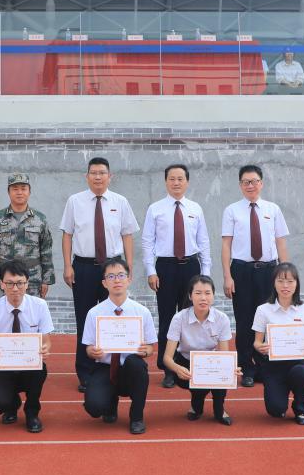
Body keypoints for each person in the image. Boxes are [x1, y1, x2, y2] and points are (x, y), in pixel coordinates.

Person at [61, 157, 140, 392]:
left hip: (113, 267)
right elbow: (67, 234)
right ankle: (85, 372)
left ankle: (115, 368)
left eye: (102, 173)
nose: (98, 177)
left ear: (110, 176)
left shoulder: (120, 201)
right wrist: (67, 265)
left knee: (115, 317)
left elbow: (127, 235)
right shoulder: (75, 201)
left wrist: (128, 267)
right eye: (93, 173)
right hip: (84, 267)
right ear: (87, 176)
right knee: (85, 318)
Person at [142, 163, 211, 389]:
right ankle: (168, 369)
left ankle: (186, 364)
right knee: (167, 319)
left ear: (187, 182)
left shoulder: (195, 208)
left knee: (190, 318)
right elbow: (147, 241)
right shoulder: (155, 209)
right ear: (166, 182)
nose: (176, 183)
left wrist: (206, 273)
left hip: (191, 266)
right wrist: (151, 271)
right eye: (172, 179)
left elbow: (203, 241)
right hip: (166, 268)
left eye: (180, 179)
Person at [221, 164, 290, 387]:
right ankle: (247, 368)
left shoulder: (273, 209)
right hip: (241, 270)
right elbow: (226, 244)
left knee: (269, 319)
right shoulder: (231, 210)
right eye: (246, 182)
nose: (250, 185)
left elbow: (280, 241)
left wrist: (285, 272)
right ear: (240, 185)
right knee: (244, 321)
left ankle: (266, 366)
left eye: (254, 181)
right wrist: (227, 276)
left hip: (269, 271)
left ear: (261, 183)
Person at [81, 258, 157, 435]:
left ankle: (136, 417)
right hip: (105, 367)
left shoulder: (142, 312)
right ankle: (110, 404)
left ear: (129, 279)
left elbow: (150, 347)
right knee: (94, 407)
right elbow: (88, 348)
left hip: (131, 368)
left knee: (136, 364)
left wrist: (146, 351)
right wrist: (92, 351)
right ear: (104, 283)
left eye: (121, 275)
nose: (117, 280)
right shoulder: (94, 313)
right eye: (111, 276)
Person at [0, 259, 54, 433]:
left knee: (40, 370)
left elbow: (47, 341)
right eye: (10, 283)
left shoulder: (40, 306)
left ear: (27, 283)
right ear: (1, 284)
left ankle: (32, 412)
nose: (15, 288)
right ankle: (11, 405)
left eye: (20, 283)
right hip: (5, 367)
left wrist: (45, 349)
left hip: (31, 365)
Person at [252, 263, 304, 424]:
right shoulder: (263, 310)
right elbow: (257, 342)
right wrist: (261, 347)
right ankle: (280, 394)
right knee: (276, 410)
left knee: (302, 373)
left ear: (297, 284)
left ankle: (300, 406)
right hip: (273, 366)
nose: (285, 286)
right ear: (273, 283)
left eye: (290, 281)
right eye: (281, 281)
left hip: (298, 363)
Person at [162, 275, 238, 425]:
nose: (203, 298)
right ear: (190, 296)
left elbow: (224, 355)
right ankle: (196, 403)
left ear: (213, 296)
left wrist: (230, 368)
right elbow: (167, 358)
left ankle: (219, 408)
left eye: (207, 293)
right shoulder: (179, 318)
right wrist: (177, 369)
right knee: (198, 389)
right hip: (187, 362)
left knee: (222, 371)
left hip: (213, 361)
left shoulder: (222, 318)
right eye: (198, 293)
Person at [0, 172, 53, 300]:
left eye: (23, 189)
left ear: (29, 192)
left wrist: (46, 280)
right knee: (4, 310)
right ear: (8, 192)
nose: (19, 192)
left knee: (31, 311)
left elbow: (46, 251)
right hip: (4, 280)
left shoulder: (40, 219)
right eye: (15, 189)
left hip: (32, 279)